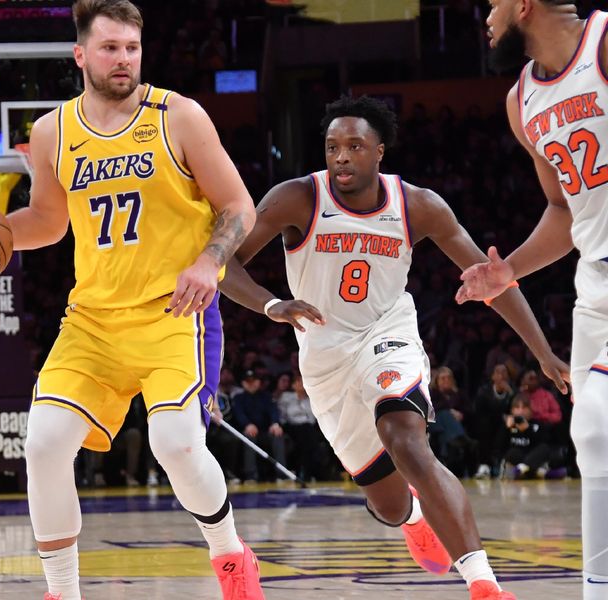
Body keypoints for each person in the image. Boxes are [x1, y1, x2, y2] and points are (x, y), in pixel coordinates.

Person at [0, 2, 261, 599]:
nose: (123, 59)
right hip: (93, 322)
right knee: (45, 443)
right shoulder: (53, 131)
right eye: (109, 48)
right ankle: (63, 591)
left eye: (131, 47)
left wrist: (210, 261)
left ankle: (230, 552)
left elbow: (238, 206)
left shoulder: (179, 116)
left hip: (171, 314)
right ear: (81, 55)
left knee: (176, 446)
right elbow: (50, 223)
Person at [219, 95, 569, 600]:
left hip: (388, 334)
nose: (341, 156)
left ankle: (484, 584)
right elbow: (225, 263)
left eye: (354, 145)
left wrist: (541, 351)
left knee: (405, 436)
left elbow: (492, 281)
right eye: (332, 146)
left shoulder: (418, 205)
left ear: (379, 151)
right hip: (324, 357)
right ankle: (412, 517)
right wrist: (273, 305)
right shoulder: (297, 197)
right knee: (386, 503)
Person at [460, 3, 608, 596]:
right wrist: (509, 271)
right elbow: (562, 209)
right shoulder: (521, 101)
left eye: (491, 5)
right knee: (590, 435)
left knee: (598, 419)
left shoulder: (602, 44)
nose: (486, 19)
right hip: (594, 282)